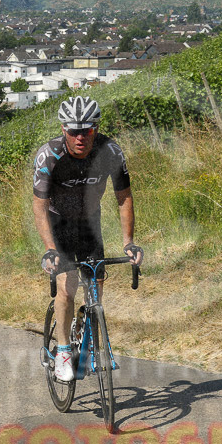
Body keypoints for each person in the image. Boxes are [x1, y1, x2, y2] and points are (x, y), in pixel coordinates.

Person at [32, 96, 143, 381]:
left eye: (87, 130)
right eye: (73, 131)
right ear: (63, 129)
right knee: (67, 286)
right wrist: (49, 248)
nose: (80, 137)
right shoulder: (50, 156)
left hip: (90, 221)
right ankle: (64, 352)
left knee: (97, 281)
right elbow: (40, 205)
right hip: (59, 222)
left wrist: (128, 242)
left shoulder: (111, 152)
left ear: (96, 128)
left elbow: (124, 196)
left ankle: (92, 339)